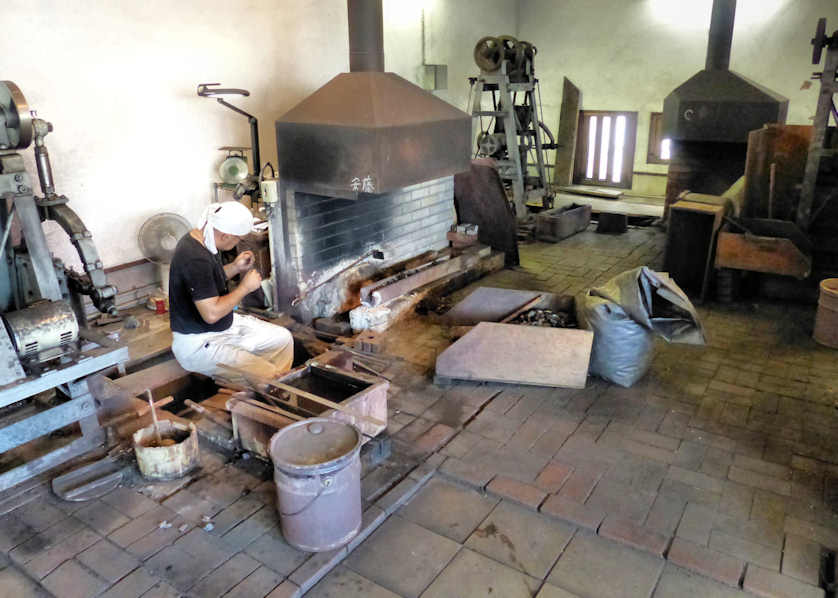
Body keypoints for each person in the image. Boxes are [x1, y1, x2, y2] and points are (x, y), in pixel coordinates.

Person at [168, 201, 293, 380]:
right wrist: (244, 288)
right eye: (238, 239)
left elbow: (207, 283)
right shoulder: (195, 258)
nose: (237, 244)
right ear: (226, 235)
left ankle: (272, 386)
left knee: (282, 339)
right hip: (199, 343)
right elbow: (211, 314)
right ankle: (266, 388)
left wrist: (235, 267)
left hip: (222, 328)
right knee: (268, 376)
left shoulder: (203, 239)